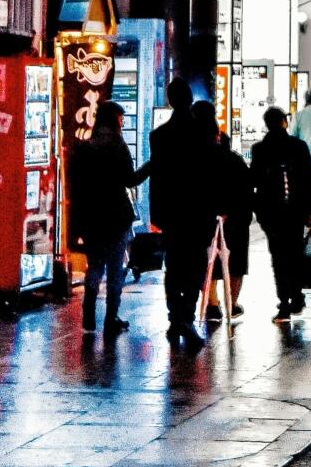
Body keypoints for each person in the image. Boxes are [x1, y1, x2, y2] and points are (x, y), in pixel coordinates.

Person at [68, 99, 143, 340]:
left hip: (90, 216)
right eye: (121, 120)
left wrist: (75, 225)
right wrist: (152, 165)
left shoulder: (84, 148)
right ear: (114, 120)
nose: (122, 124)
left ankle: (88, 315)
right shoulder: (118, 146)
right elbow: (130, 180)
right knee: (115, 269)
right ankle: (111, 318)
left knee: (95, 266)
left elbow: (76, 189)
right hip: (116, 217)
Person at [148, 76, 214, 351]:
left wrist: (156, 213)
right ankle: (185, 314)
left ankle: (176, 317)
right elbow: (210, 174)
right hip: (198, 210)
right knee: (197, 266)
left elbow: (158, 178)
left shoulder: (159, 136)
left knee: (173, 267)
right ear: (190, 99)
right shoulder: (203, 133)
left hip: (171, 211)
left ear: (170, 101)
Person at [250, 106, 311, 321]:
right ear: (283, 122)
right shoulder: (299, 146)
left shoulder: (260, 149)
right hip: (295, 210)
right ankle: (297, 295)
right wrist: (309, 209)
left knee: (278, 257)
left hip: (271, 213)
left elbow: (254, 180)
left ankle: (284, 304)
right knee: (295, 252)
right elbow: (309, 180)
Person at [194, 99, 253, 322]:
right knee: (235, 263)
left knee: (207, 262)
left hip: (203, 218)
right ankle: (232, 303)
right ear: (217, 135)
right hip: (235, 220)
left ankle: (212, 302)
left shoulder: (194, 160)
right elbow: (247, 190)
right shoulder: (235, 160)